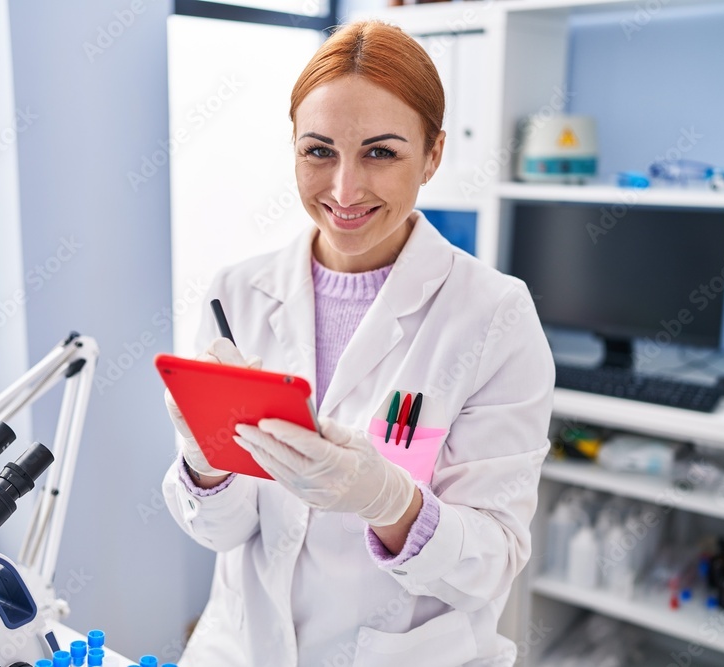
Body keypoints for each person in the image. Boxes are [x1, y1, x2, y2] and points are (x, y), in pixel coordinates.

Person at [161, 20, 554, 667]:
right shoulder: (236, 294)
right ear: (293, 148)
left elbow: (492, 561)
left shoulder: (494, 315)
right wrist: (206, 461)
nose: (344, 191)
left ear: (432, 154)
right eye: (319, 151)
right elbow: (222, 531)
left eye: (380, 152)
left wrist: (390, 502)